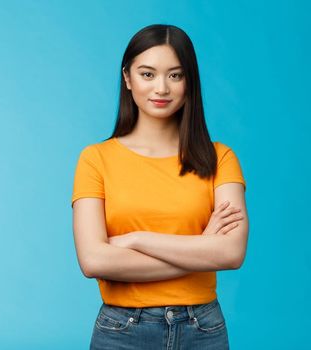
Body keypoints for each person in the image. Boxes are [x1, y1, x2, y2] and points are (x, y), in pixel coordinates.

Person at [71, 24, 248, 349]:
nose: (161, 88)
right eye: (148, 74)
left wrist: (138, 239)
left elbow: (231, 252)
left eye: (175, 75)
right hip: (122, 331)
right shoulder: (95, 159)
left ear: (189, 81)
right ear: (128, 78)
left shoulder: (220, 158)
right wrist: (201, 248)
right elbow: (94, 261)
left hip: (202, 330)